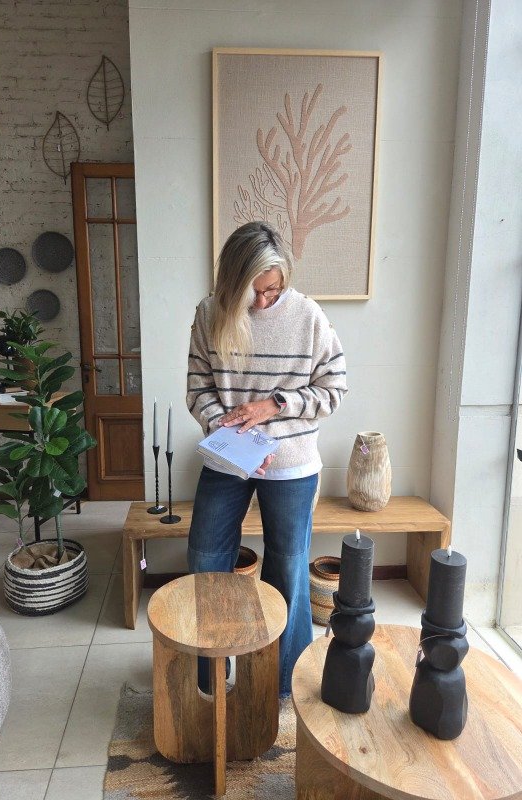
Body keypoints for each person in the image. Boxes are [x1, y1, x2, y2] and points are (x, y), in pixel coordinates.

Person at [186, 221, 347, 696]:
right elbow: (199, 389)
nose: (261, 302)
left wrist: (274, 405)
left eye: (272, 290)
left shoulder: (308, 316)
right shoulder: (209, 313)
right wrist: (228, 434)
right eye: (251, 292)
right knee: (205, 558)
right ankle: (210, 675)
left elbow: (333, 389)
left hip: (292, 461)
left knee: (288, 568)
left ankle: (281, 683)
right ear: (231, 282)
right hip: (227, 458)